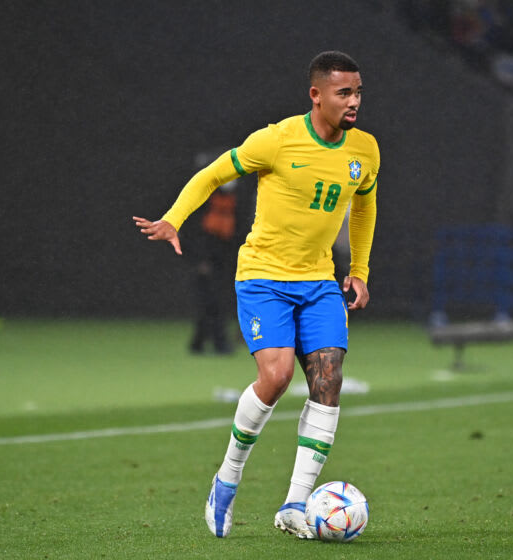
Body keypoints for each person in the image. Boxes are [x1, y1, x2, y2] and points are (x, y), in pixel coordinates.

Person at [133, 50, 379, 539]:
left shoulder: (365, 150)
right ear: (316, 95)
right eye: (343, 93)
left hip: (319, 282)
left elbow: (364, 207)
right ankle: (227, 478)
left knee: (327, 379)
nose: (353, 102)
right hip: (264, 277)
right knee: (277, 375)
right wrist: (174, 219)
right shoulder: (276, 139)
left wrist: (359, 270)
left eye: (357, 92)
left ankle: (295, 503)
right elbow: (214, 174)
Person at [188, 149, 241, 355]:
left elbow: (233, 230)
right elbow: (196, 231)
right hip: (207, 258)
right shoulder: (204, 198)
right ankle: (219, 343)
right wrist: (200, 258)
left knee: (214, 300)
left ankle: (198, 342)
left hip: (223, 257)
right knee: (212, 299)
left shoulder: (232, 198)